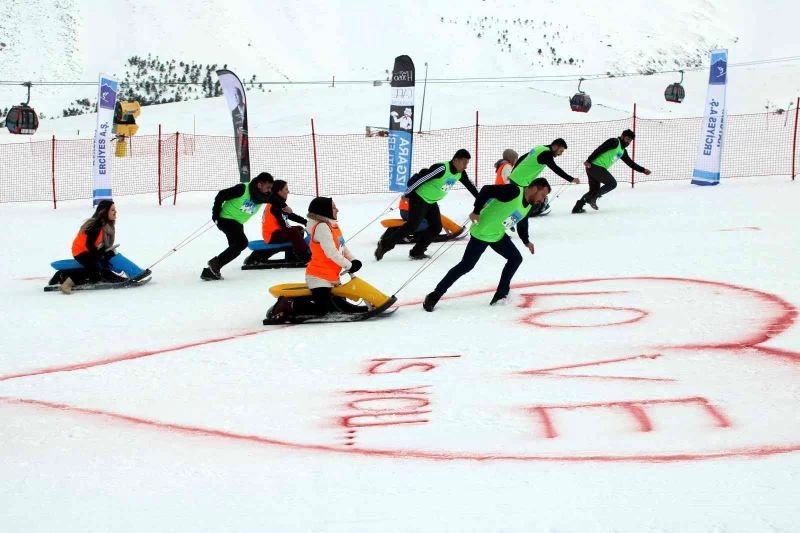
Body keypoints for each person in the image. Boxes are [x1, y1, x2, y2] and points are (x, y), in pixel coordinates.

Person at [423, 177, 552, 311]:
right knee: (466, 266)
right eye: (543, 195)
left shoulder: (529, 204)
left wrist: (526, 241)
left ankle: (501, 294)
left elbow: (522, 221)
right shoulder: (514, 191)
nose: (542, 200)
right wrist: (476, 211)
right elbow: (486, 190)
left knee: (515, 259)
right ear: (535, 188)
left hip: (497, 235)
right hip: (482, 234)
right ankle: (435, 295)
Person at [375, 148, 478, 261]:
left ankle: (417, 252)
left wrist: (481, 200)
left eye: (467, 163)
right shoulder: (441, 168)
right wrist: (408, 194)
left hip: (431, 202)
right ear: (456, 160)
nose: (466, 166)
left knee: (436, 227)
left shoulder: (460, 173)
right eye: (464, 162)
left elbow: (470, 186)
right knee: (412, 226)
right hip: (419, 198)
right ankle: (385, 244)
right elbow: (421, 180)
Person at [60, 200, 150, 293]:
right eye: (112, 210)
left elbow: (100, 245)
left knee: (104, 261)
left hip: (91, 249)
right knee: (94, 267)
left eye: (115, 209)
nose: (115, 212)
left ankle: (124, 277)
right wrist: (98, 256)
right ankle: (67, 284)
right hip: (81, 251)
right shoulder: (96, 225)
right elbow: (89, 245)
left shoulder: (106, 225)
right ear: (104, 211)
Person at [202, 172, 273, 280]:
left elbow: (276, 200)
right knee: (241, 243)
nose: (269, 190)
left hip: (238, 223)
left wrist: (285, 206)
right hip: (225, 219)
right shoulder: (242, 189)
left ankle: (210, 271)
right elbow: (221, 195)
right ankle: (214, 264)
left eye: (270, 188)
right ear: (259, 185)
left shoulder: (263, 196)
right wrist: (215, 214)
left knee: (236, 248)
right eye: (267, 187)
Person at [303, 197, 365, 316]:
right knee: (323, 310)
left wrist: (353, 260)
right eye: (333, 207)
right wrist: (349, 265)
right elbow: (331, 252)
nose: (337, 210)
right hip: (318, 278)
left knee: (339, 307)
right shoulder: (322, 227)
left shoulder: (332, 225)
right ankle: (290, 305)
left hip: (332, 277)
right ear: (324, 210)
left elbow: (341, 246)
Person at [572, 129, 651, 214]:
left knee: (594, 190)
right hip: (595, 166)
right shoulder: (614, 141)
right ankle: (593, 198)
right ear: (622, 136)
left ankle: (577, 208)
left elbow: (630, 163)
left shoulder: (623, 151)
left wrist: (643, 170)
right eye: (627, 139)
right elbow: (600, 149)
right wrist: (589, 160)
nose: (628, 142)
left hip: (594, 168)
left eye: (630, 140)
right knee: (612, 183)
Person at [260, 180, 310, 262]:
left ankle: (293, 254)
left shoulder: (277, 203)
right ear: (279, 191)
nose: (288, 192)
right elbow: (283, 223)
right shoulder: (274, 205)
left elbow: (290, 215)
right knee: (293, 232)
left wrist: (305, 222)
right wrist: (293, 230)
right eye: (286, 189)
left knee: (299, 229)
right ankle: (305, 256)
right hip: (271, 235)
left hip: (276, 232)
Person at [508, 139, 579, 187]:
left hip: (515, 177)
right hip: (521, 182)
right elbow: (556, 169)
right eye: (560, 151)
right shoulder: (547, 154)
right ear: (555, 146)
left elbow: (522, 158)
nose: (560, 154)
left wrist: (513, 172)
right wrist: (571, 179)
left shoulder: (540, 148)